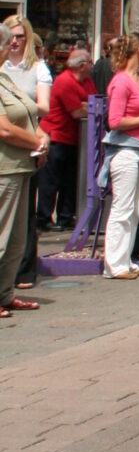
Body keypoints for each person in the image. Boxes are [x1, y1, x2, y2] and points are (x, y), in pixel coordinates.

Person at [101, 32, 139, 279]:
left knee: (134, 208)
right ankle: (114, 264)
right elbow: (114, 120)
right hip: (125, 150)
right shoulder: (121, 81)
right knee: (122, 207)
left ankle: (126, 260)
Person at [2, 18, 52, 287]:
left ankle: (18, 276)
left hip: (27, 147)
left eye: (20, 36)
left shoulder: (36, 68)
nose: (14, 41)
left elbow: (43, 107)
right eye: (10, 36)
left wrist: (38, 138)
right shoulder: (3, 71)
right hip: (9, 149)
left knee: (23, 220)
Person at [0, 61, 49, 316]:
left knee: (17, 239)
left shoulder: (6, 80)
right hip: (4, 169)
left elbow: (30, 115)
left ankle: (5, 294)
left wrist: (42, 137)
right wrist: (37, 143)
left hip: (21, 167)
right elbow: (4, 129)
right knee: (1, 235)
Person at [36, 46, 96, 231]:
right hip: (57, 136)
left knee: (70, 180)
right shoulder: (65, 82)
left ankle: (65, 216)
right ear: (82, 65)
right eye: (90, 62)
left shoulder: (87, 82)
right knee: (51, 180)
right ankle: (44, 218)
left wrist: (87, 106)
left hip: (74, 139)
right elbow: (77, 111)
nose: (93, 66)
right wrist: (86, 106)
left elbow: (96, 101)